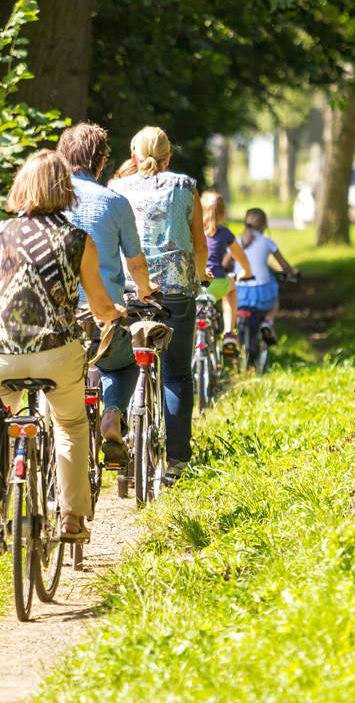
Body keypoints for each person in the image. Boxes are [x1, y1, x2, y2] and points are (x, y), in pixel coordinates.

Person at [0, 150, 124, 552]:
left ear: (21, 187)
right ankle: (71, 516)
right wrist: (112, 315)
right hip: (55, 353)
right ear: (65, 189)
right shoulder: (77, 238)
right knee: (70, 424)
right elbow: (100, 305)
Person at [109, 127, 207, 483]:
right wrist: (200, 276)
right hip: (175, 291)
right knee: (177, 374)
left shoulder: (116, 189)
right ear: (169, 157)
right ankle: (177, 461)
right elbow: (199, 244)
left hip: (129, 292)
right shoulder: (185, 187)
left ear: (134, 156)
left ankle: (120, 426)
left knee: (124, 364)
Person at [56, 122, 156, 465]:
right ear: (100, 162)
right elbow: (136, 264)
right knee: (123, 365)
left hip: (55, 323)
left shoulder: (46, 201)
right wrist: (145, 291)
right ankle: (112, 416)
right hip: (102, 321)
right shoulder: (115, 202)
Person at [236, 208, 299, 344]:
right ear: (264, 225)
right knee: (275, 297)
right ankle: (268, 322)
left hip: (239, 292)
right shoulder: (267, 242)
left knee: (234, 309)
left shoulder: (236, 241)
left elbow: (226, 262)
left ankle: (233, 335)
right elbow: (284, 266)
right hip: (261, 292)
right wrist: (292, 272)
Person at [200, 190, 251, 351]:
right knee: (231, 289)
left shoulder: (193, 231)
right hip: (217, 282)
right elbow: (240, 256)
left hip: (194, 284)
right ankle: (229, 332)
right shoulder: (224, 233)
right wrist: (247, 273)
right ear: (223, 213)